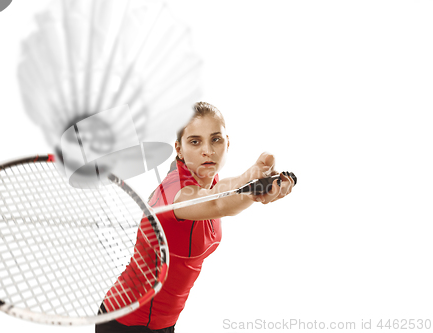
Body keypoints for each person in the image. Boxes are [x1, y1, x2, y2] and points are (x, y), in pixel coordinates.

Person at [95, 102, 295, 332]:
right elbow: (217, 203)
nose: (207, 151)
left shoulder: (210, 182)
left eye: (216, 139)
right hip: (127, 321)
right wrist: (253, 188)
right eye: (195, 141)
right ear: (178, 148)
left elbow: (222, 192)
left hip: (164, 321)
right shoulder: (174, 193)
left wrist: (258, 185)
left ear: (227, 143)